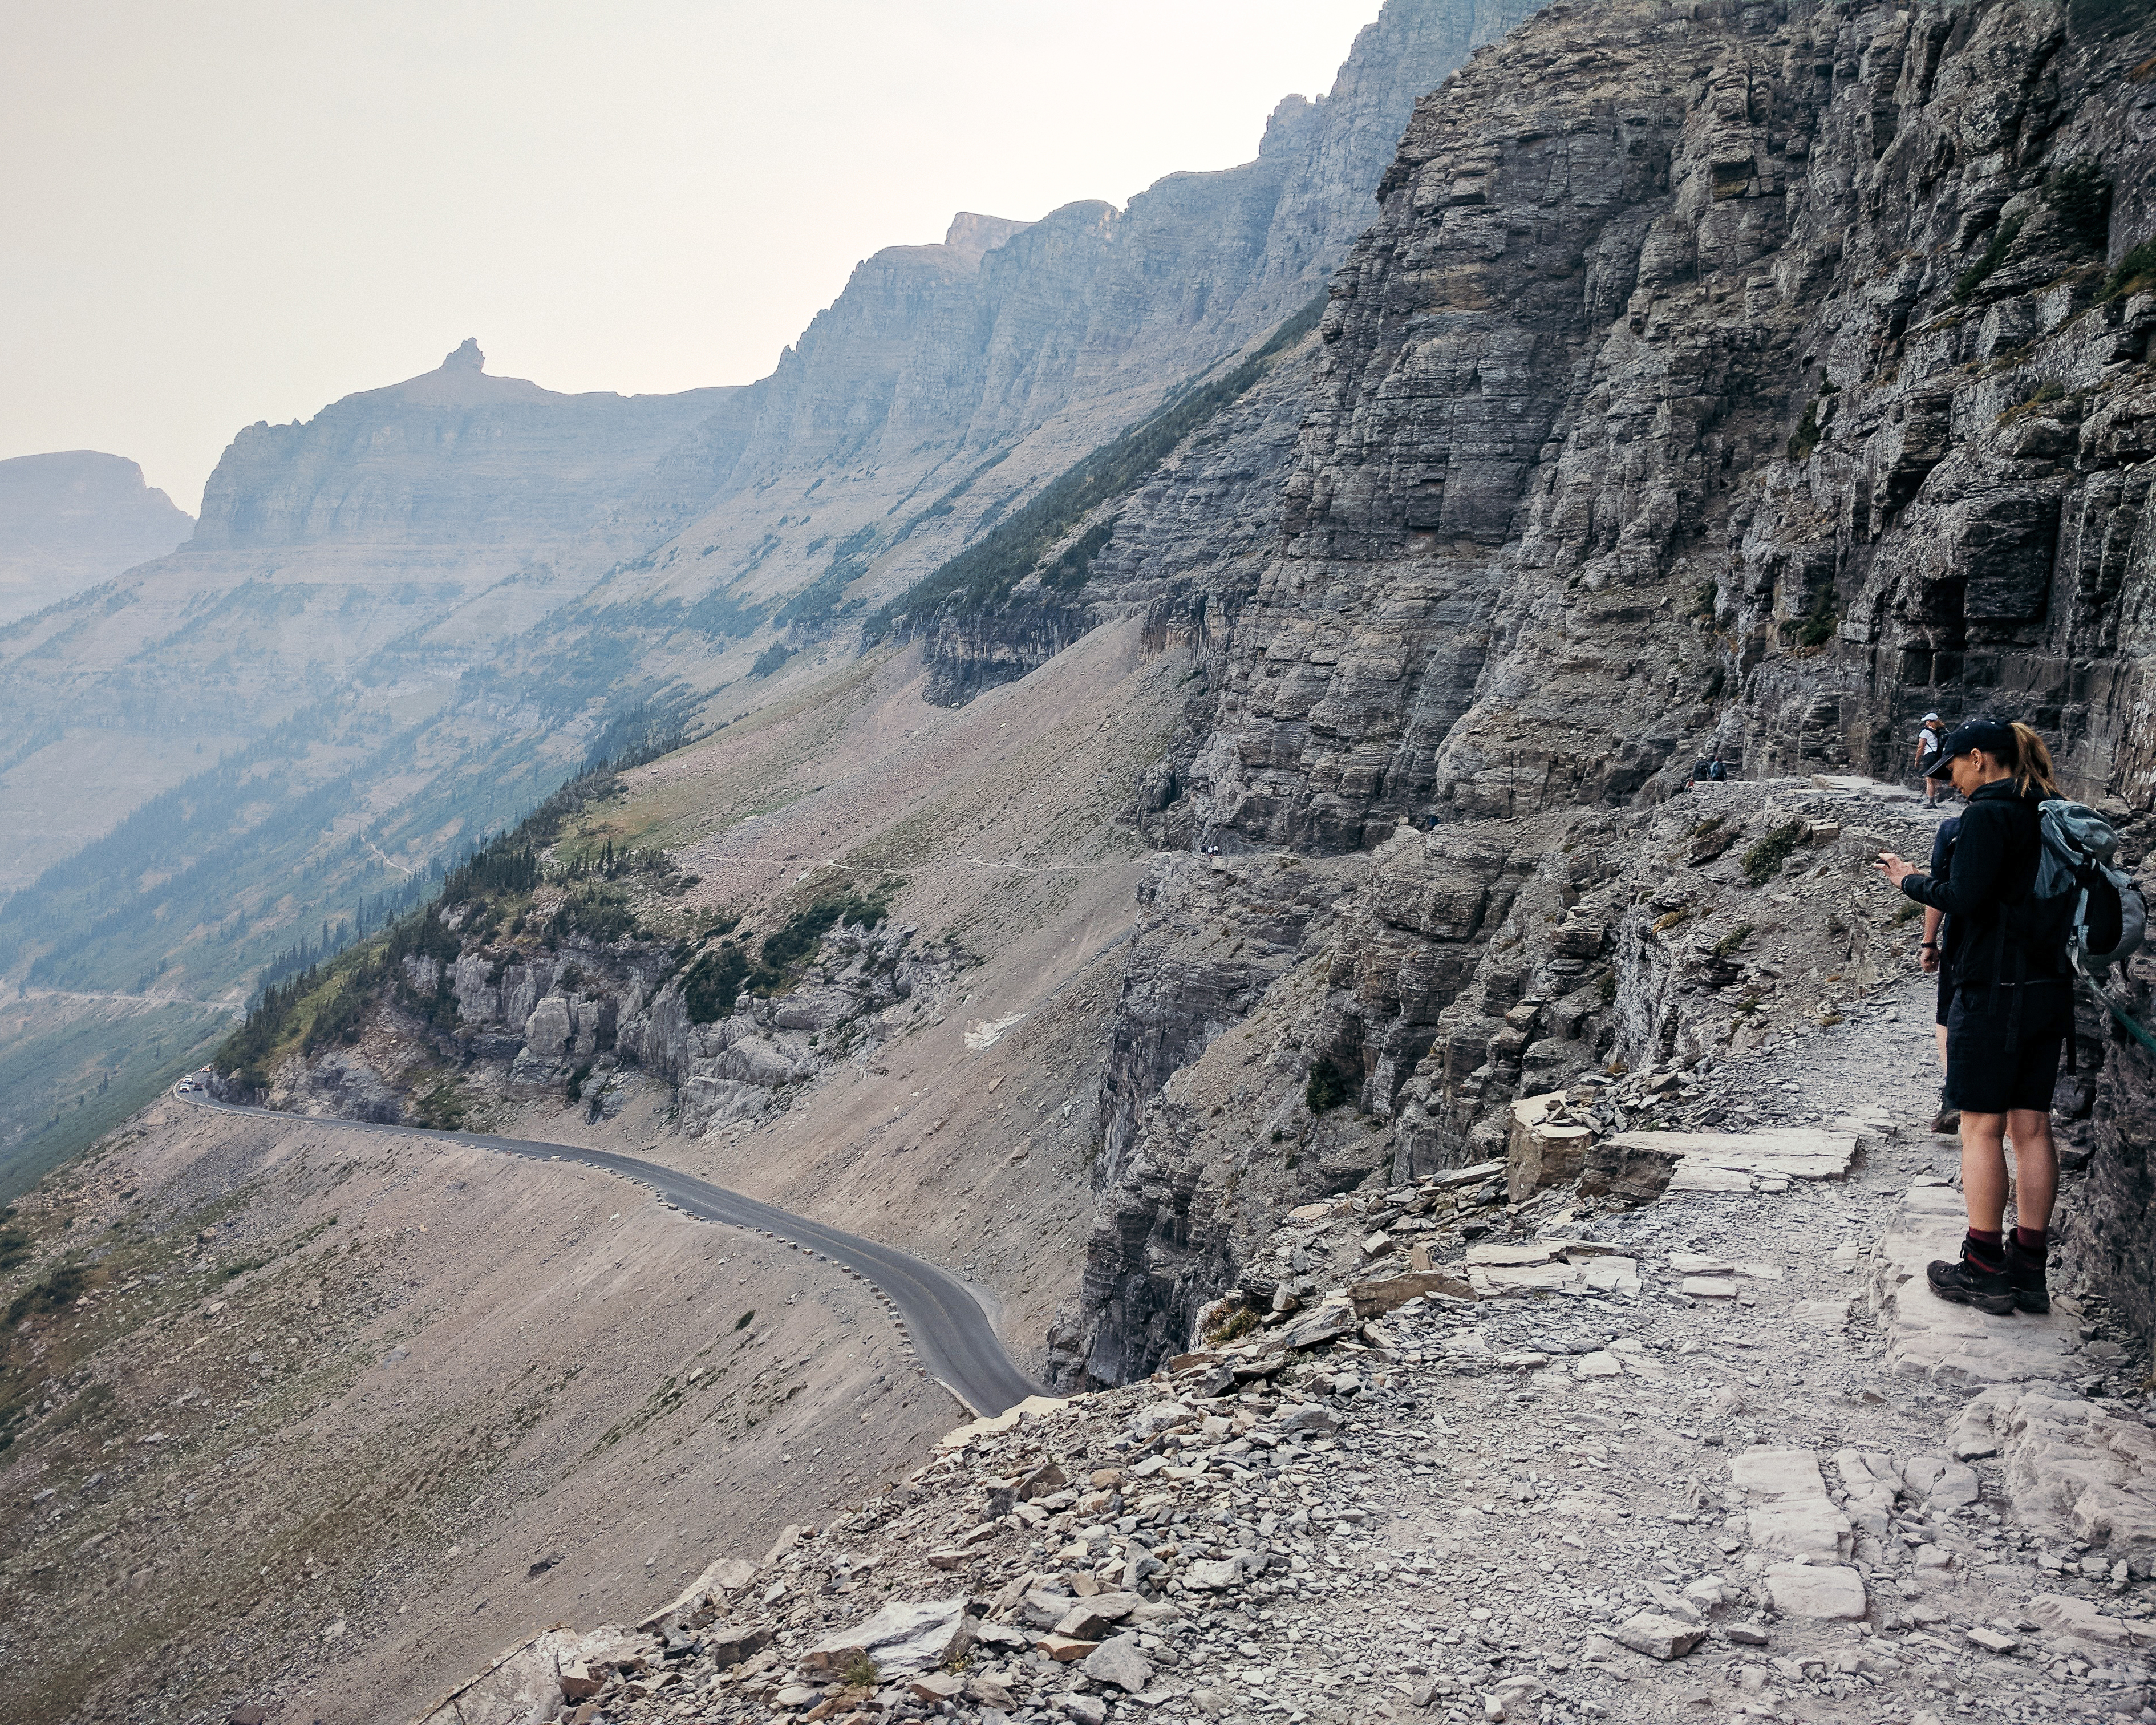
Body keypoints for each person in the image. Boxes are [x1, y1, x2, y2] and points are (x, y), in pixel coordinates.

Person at [1874, 719, 2070, 1317]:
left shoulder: (1988, 815)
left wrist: (1909, 879)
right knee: (2032, 1128)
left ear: (1979, 758)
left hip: (1994, 993)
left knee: (1981, 1128)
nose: (1952, 781)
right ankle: (2029, 1272)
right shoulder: (2051, 809)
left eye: (1954, 768)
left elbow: (1965, 898)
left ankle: (1984, 1269)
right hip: (2048, 988)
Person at [1920, 815, 1961, 1135]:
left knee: (1947, 1017)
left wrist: (1929, 942)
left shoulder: (1954, 830)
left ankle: (1954, 1094)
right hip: (2036, 950)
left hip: (1966, 945)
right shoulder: (2046, 821)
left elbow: (1938, 890)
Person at [1914, 713, 1947, 803]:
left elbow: (1921, 747)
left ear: (1931, 722)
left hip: (1929, 756)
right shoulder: (1939, 731)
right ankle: (1941, 791)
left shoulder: (1925, 732)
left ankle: (1931, 802)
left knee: (1929, 779)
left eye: (1926, 721)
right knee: (1935, 776)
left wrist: (1917, 760)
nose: (1925, 723)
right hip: (1938, 756)